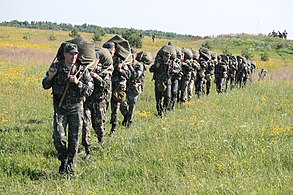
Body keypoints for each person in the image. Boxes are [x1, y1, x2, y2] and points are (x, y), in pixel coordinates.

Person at [42, 42, 94, 176]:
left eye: (75, 54)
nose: (73, 56)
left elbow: (89, 91)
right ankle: (63, 159)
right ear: (64, 54)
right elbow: (45, 84)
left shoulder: (82, 70)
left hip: (76, 108)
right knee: (58, 138)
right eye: (71, 53)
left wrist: (77, 83)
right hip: (60, 108)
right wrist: (51, 77)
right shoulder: (56, 67)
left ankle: (71, 168)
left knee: (74, 140)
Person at [82, 48, 114, 160]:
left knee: (99, 125)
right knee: (86, 125)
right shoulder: (85, 70)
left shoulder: (104, 72)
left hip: (100, 102)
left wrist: (97, 77)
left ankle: (101, 141)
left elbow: (107, 86)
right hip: (88, 101)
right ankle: (88, 150)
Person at [120, 48, 144, 127]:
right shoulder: (125, 64)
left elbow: (135, 75)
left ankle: (129, 122)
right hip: (126, 88)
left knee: (132, 106)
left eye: (132, 56)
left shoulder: (139, 65)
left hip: (134, 89)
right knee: (122, 105)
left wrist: (130, 66)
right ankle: (126, 117)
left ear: (135, 56)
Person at [149, 50, 172, 117]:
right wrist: (156, 66)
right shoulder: (158, 62)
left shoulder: (171, 63)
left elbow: (178, 69)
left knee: (167, 97)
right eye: (166, 56)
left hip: (167, 82)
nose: (167, 58)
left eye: (169, 56)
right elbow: (150, 70)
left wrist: (173, 71)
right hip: (158, 83)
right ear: (163, 56)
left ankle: (165, 110)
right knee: (158, 98)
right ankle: (159, 112)